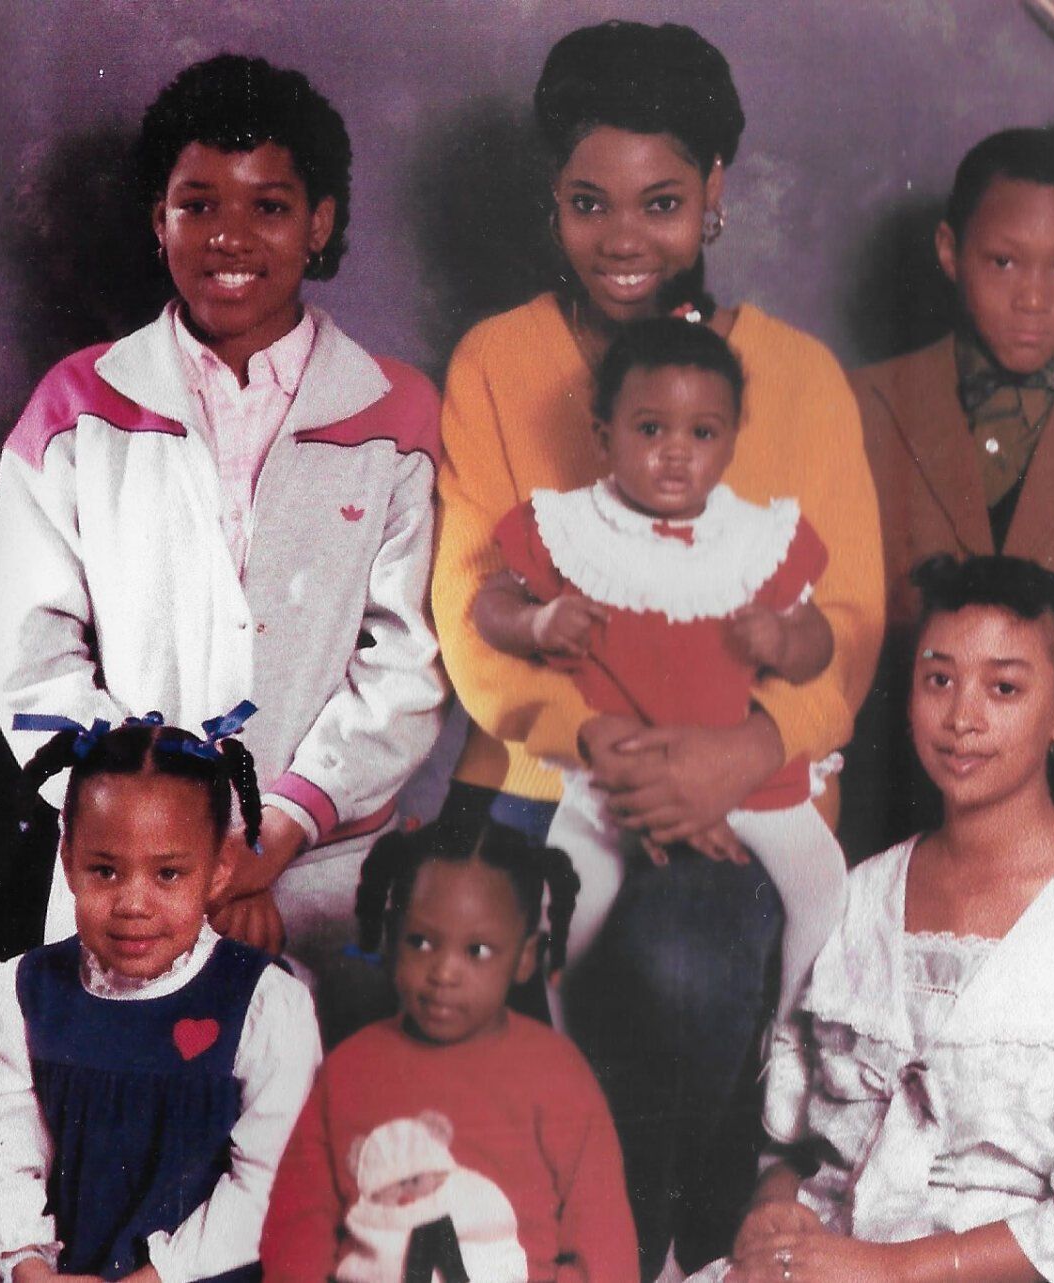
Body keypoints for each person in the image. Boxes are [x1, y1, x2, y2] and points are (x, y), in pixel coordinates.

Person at [429, 20, 883, 1274]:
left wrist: (743, 750)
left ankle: (666, 1240)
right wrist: (602, 740)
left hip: (749, 786)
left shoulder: (798, 376)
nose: (623, 237)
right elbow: (472, 604)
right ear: (552, 198)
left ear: (717, 191)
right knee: (503, 1013)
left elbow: (850, 621)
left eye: (663, 201)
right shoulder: (499, 362)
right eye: (589, 202)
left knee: (689, 966)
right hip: (542, 779)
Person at [0, 55, 445, 1034]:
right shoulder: (74, 409)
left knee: (310, 1113)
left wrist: (274, 837)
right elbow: (33, 660)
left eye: (269, 206)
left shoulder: (397, 416)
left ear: (319, 222)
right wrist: (155, 846)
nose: (229, 235)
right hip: (127, 885)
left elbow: (407, 661)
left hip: (323, 871)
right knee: (113, 1108)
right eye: (198, 205)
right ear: (159, 220)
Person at [695, 555, 1054, 1283]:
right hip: (820, 1261)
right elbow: (793, 1145)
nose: (962, 718)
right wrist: (769, 1209)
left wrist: (886, 1269)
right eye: (938, 680)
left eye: (1004, 688)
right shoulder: (854, 898)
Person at [474, 318, 844, 1017]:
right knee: (567, 903)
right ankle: (563, 1047)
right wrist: (536, 624)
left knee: (823, 887)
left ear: (732, 439)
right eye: (650, 429)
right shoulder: (572, 531)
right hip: (611, 781)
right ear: (604, 435)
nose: (676, 453)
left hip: (741, 774)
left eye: (703, 433)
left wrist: (784, 640)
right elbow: (490, 604)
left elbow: (819, 639)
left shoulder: (755, 540)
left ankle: (790, 1037)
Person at [844, 125, 1054, 856]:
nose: (1033, 298)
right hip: (882, 807)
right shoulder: (856, 406)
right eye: (1003, 261)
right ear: (948, 251)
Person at [0, 715, 321, 1283]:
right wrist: (30, 1268)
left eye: (168, 874)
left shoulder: (266, 1006)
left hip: (195, 1271)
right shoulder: (14, 996)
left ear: (219, 871)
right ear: (68, 861)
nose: (133, 904)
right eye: (105, 871)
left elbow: (267, 1184)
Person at [260, 817, 639, 1283]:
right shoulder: (351, 1068)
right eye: (421, 942)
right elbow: (299, 1226)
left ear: (523, 957)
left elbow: (604, 1250)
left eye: (477, 950)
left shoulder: (559, 1076)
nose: (443, 972)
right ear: (392, 937)